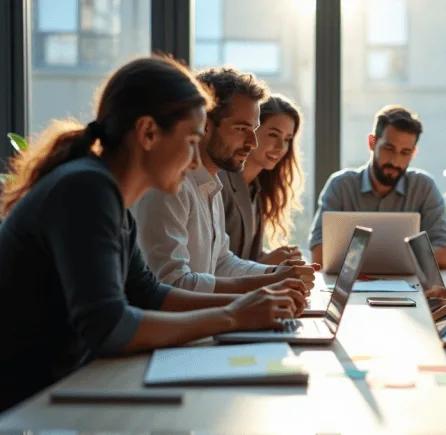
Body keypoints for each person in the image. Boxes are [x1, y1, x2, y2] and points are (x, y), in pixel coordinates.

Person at [0, 56, 307, 412]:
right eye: (192, 141)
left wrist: (246, 307)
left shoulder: (107, 193)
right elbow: (110, 326)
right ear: (147, 133)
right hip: (25, 405)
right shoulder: (85, 189)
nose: (195, 161)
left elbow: (149, 293)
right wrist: (234, 316)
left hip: (62, 388)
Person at [132, 67, 317, 294]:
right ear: (205, 125)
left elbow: (221, 263)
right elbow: (172, 284)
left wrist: (274, 274)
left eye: (254, 130)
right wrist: (267, 283)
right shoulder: (169, 188)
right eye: (241, 129)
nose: (252, 142)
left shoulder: (211, 185)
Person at [309, 105, 446, 269]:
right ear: (372, 142)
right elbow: (318, 253)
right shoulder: (340, 185)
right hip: (350, 287)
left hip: (409, 290)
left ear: (413, 153)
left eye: (405, 152)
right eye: (389, 148)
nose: (395, 161)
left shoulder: (423, 187)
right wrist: (403, 259)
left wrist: (384, 259)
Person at [220, 94, 304, 265]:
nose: (281, 148)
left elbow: (246, 256)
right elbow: (218, 263)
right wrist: (266, 263)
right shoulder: (220, 183)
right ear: (252, 131)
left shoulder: (256, 189)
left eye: (287, 140)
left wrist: (278, 258)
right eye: (273, 135)